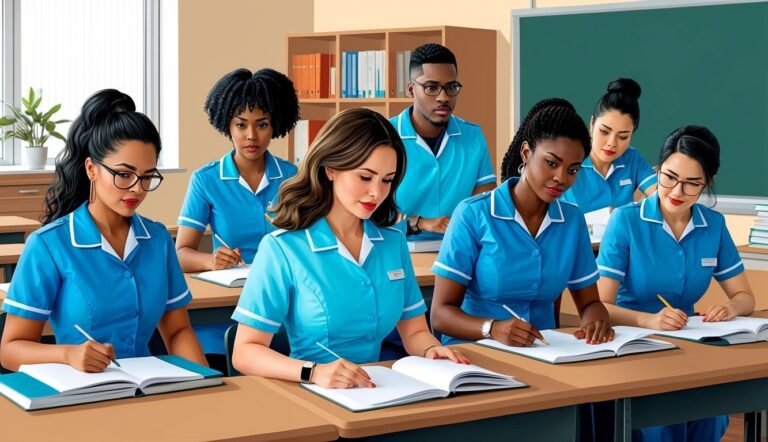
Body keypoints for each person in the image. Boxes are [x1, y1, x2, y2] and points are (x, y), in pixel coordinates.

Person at [231, 108, 468, 387]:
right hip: (311, 393)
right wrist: (314, 372)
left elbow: (414, 330)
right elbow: (244, 352)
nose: (377, 193)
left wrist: (431, 350)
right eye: (365, 177)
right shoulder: (282, 249)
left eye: (387, 180)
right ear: (331, 169)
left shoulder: (392, 243)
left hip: (377, 390)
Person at [0, 89, 206, 372]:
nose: (137, 188)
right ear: (91, 169)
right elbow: (11, 350)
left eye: (147, 177)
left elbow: (177, 332)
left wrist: (208, 382)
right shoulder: (48, 245)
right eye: (124, 174)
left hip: (149, 389)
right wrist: (68, 355)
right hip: (79, 395)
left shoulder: (158, 240)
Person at [597, 125, 755, 442]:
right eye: (668, 177)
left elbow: (744, 297)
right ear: (658, 169)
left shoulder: (713, 225)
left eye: (691, 184)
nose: (676, 191)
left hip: (690, 348)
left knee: (711, 415)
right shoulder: (626, 221)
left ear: (707, 183)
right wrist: (648, 319)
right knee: (662, 425)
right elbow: (599, 306)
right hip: (635, 346)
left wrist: (729, 307)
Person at [430, 98, 614, 347]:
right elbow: (440, 315)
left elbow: (590, 302)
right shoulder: (473, 214)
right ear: (526, 153)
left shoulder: (571, 220)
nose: (561, 178)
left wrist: (596, 316)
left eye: (572, 170)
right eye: (551, 163)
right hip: (474, 352)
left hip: (545, 353)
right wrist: (492, 329)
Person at [175, 68, 299, 357]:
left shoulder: (294, 177)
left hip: (286, 299)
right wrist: (211, 260)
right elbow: (180, 253)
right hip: (230, 302)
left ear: (276, 125)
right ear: (227, 125)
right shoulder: (206, 180)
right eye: (241, 125)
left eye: (262, 124)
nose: (251, 136)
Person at [391, 43, 496, 239]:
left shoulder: (473, 136)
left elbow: (484, 206)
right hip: (397, 250)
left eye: (451, 87)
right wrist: (419, 223)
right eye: (431, 87)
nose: (443, 97)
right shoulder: (384, 137)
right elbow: (366, 212)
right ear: (411, 90)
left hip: (459, 251)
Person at [561, 78, 657, 214]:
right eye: (604, 132)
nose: (612, 143)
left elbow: (662, 200)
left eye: (623, 137)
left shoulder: (632, 158)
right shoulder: (567, 160)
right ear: (592, 124)